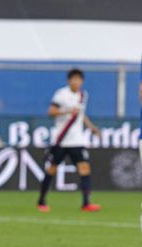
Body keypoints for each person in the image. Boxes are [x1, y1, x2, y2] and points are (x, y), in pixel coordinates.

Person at [37, 68, 101, 213]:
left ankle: (86, 203)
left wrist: (91, 127)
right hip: (61, 140)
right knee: (52, 169)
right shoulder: (61, 94)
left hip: (77, 140)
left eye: (79, 79)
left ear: (82, 81)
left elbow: (81, 114)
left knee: (84, 169)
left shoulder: (83, 95)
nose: (76, 82)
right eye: (74, 79)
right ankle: (41, 200)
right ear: (69, 80)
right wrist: (67, 111)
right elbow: (51, 111)